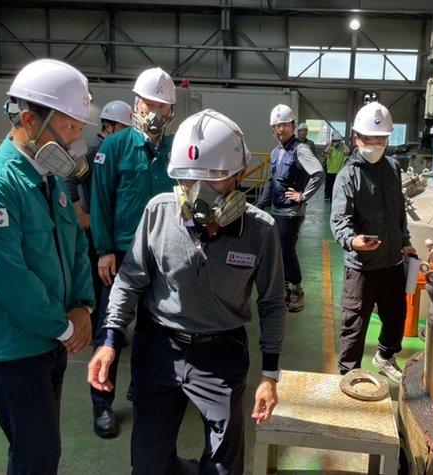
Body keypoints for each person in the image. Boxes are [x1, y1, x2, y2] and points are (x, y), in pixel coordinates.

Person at [87, 109, 286, 474]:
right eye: (188, 180)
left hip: (221, 354)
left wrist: (270, 375)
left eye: (214, 179)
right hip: (159, 349)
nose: (199, 193)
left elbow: (273, 303)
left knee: (223, 468)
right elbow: (130, 279)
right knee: (148, 465)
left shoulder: (261, 231)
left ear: (241, 175)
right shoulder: (158, 213)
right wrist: (110, 339)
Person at [0, 58, 95, 474]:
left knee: (38, 451)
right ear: (30, 120)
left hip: (49, 344)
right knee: (37, 455)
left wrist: (83, 305)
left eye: (77, 131)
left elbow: (74, 246)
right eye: (68, 129)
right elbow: (8, 278)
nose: (74, 143)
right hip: (11, 353)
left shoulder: (48, 182)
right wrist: (66, 326)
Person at [89, 67, 176, 438]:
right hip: (123, 256)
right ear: (137, 104)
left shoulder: (175, 151)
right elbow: (100, 202)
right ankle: (101, 406)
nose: (156, 112)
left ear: (171, 111)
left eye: (163, 105)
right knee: (110, 332)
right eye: (150, 103)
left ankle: (139, 388)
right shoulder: (114, 147)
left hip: (163, 258)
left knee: (152, 330)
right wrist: (105, 250)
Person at [330, 101, 417, 383]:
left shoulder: (393, 168)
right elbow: (339, 221)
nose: (376, 144)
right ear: (356, 138)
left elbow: (398, 211)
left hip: (392, 261)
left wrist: (405, 242)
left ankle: (385, 355)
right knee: (355, 323)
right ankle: (348, 372)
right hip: (362, 266)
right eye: (370, 138)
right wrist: (353, 241)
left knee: (396, 314)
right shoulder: (348, 175)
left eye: (381, 139)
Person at [66, 100, 132, 318]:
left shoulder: (111, 148)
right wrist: (80, 215)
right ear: (109, 125)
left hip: (103, 223)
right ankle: (98, 328)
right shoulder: (95, 149)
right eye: (124, 128)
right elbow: (68, 178)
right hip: (94, 225)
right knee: (100, 278)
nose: (126, 134)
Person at [257, 104, 324, 313]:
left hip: (291, 212)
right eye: (277, 126)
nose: (281, 129)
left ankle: (297, 291)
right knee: (279, 251)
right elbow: (271, 181)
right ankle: (285, 289)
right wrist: (259, 206)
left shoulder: (300, 149)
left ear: (293, 125)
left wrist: (302, 196)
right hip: (276, 211)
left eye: (285, 125)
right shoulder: (277, 151)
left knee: (286, 251)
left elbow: (318, 173)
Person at [322, 130, 350, 201]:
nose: (336, 142)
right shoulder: (330, 148)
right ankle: (328, 196)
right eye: (335, 140)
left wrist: (343, 143)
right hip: (330, 171)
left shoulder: (341, 149)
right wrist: (331, 143)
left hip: (339, 171)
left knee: (337, 187)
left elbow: (348, 151)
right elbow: (325, 152)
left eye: (338, 140)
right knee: (329, 186)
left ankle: (334, 198)